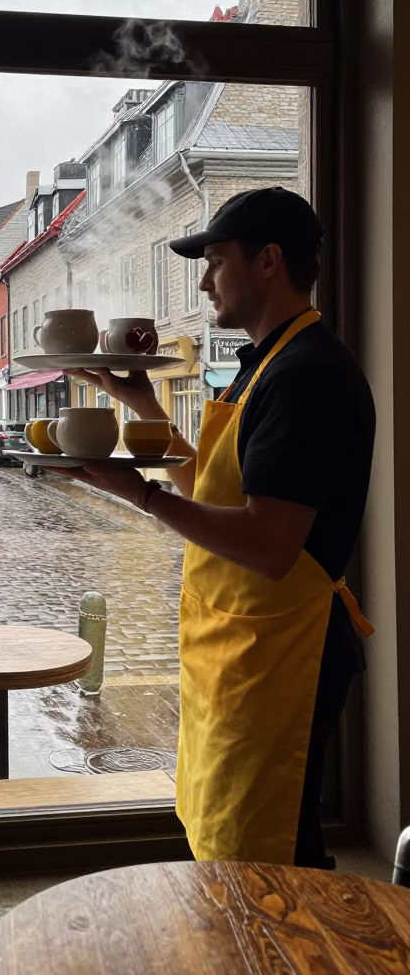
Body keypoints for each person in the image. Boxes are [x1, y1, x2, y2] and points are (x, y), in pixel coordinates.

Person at [65, 187, 375, 869]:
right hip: (244, 650)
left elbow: (268, 545)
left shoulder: (305, 376)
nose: (203, 280)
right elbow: (213, 481)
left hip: (282, 656)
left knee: (267, 855)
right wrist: (143, 402)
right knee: (233, 834)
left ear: (268, 261)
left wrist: (139, 495)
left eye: (215, 260)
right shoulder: (265, 365)